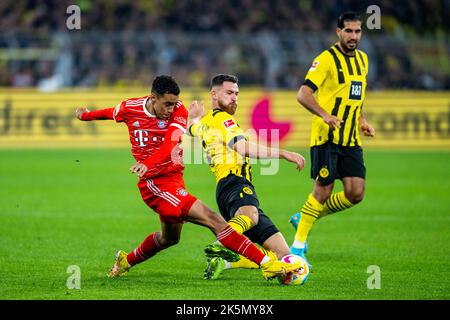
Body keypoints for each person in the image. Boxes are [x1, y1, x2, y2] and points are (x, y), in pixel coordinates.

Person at [75, 75, 301, 280]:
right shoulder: (130, 107)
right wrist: (85, 116)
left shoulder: (178, 110)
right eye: (167, 104)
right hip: (154, 184)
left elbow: (170, 143)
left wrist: (151, 159)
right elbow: (110, 113)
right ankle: (267, 264)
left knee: (169, 239)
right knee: (215, 220)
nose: (172, 109)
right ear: (153, 98)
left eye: (175, 103)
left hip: (173, 179)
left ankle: (125, 260)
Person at [187, 74, 306, 279]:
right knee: (250, 216)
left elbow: (191, 128)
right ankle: (220, 243)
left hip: (227, 191)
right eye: (229, 93)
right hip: (235, 183)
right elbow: (242, 147)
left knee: (282, 254)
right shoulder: (224, 119)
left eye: (237, 94)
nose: (235, 98)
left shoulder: (205, 123)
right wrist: (284, 153)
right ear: (214, 94)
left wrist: (193, 117)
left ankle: (224, 262)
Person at [289, 12, 376, 263]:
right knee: (323, 190)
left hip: (350, 139)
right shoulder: (326, 59)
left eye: (357, 31)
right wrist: (325, 115)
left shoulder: (363, 60)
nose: (353, 36)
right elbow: (303, 94)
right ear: (338, 32)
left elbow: (355, 95)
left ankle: (305, 216)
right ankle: (297, 247)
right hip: (326, 136)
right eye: (348, 31)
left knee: (355, 193)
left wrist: (361, 120)